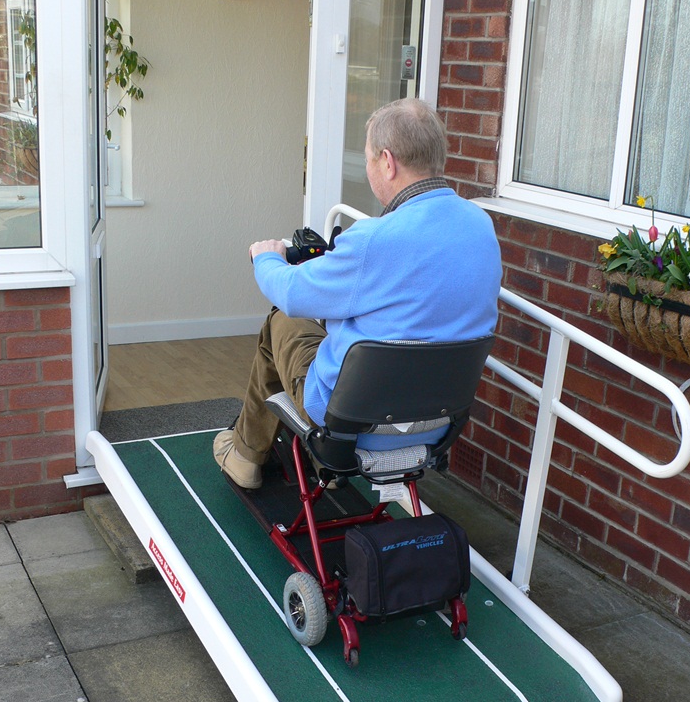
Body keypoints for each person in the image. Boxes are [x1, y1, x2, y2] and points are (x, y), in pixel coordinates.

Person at [213, 98, 501, 489]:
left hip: (350, 427)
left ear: (388, 162)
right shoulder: (480, 226)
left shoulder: (373, 239)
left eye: (367, 159)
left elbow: (292, 294)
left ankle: (247, 457)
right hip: (435, 426)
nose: (368, 169)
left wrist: (266, 257)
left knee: (281, 322)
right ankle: (307, 467)